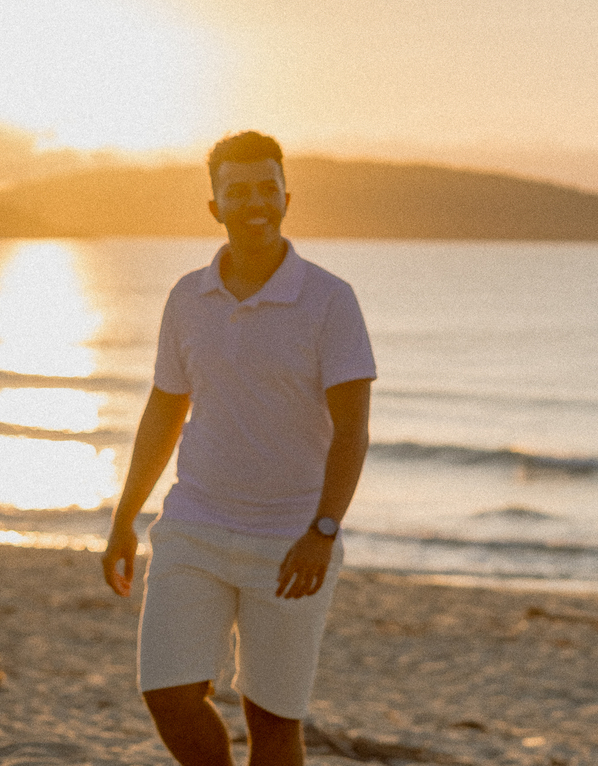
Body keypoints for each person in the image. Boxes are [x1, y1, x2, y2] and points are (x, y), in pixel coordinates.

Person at [101, 131, 376, 766]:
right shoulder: (186, 297)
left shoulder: (329, 299)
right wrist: (124, 518)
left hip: (291, 541)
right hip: (193, 527)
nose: (255, 202)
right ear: (215, 207)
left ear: (286, 198)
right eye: (238, 191)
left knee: (272, 719)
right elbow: (164, 410)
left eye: (266, 189)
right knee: (168, 694)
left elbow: (352, 430)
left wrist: (323, 529)